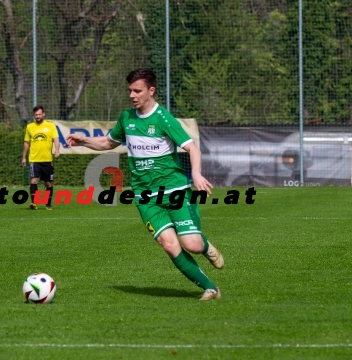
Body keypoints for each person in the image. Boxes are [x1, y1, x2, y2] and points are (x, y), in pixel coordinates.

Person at [66, 68, 224, 300]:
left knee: (191, 244)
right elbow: (109, 143)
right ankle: (211, 289)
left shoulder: (163, 118)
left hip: (175, 190)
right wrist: (84, 140)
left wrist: (197, 175)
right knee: (169, 245)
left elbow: (192, 148)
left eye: (137, 91)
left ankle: (205, 246)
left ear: (151, 91)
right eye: (130, 90)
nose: (132, 95)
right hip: (145, 196)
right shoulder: (126, 117)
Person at [22, 105, 60, 210]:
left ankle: (48, 204)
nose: (38, 116)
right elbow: (26, 143)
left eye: (39, 114)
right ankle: (34, 203)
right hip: (34, 159)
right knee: (34, 180)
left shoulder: (50, 126)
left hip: (47, 160)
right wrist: (24, 157)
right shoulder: (30, 127)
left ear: (43, 114)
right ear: (34, 115)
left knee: (48, 183)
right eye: (36, 115)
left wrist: (57, 150)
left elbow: (56, 139)